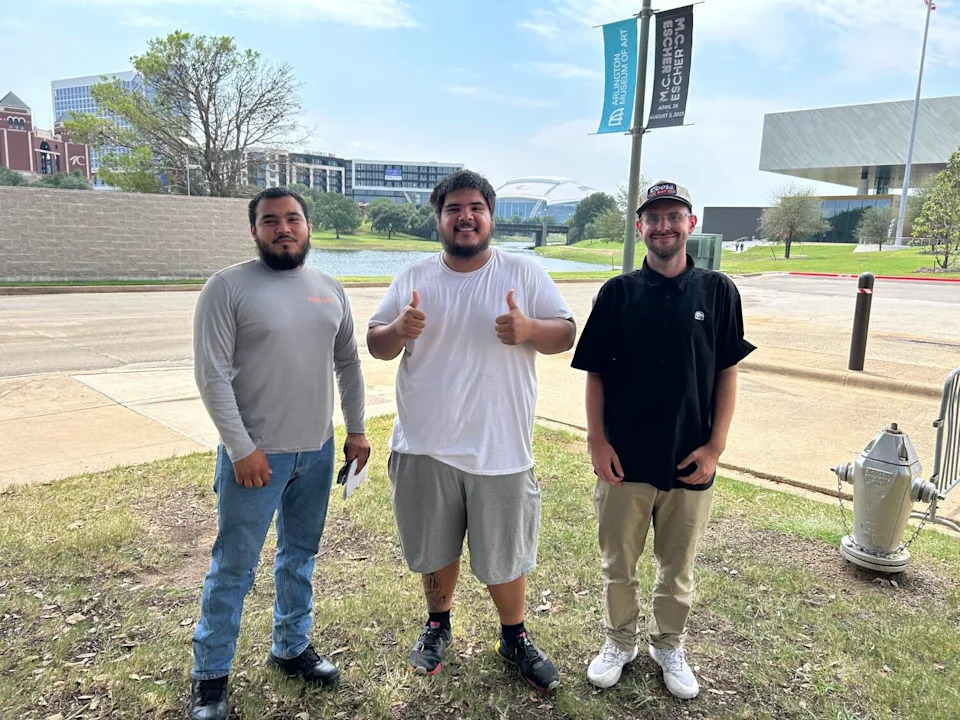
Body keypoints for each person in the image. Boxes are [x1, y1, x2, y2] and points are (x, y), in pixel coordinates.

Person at [366, 170, 576, 691]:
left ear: (490, 216)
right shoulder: (414, 275)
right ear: (438, 219)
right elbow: (376, 342)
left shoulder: (523, 273)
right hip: (424, 445)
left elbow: (566, 333)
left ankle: (515, 636)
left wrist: (529, 330)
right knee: (434, 549)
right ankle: (437, 625)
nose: (466, 216)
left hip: (500, 447)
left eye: (476, 207)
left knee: (504, 555)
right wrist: (398, 330)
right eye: (454, 208)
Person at [188, 187, 370, 720]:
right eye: (270, 221)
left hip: (316, 452)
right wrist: (241, 449)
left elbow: (349, 365)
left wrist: (356, 431)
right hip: (255, 460)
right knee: (233, 568)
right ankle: (210, 677)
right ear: (255, 230)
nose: (283, 228)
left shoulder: (329, 288)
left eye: (293, 219)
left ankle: (291, 648)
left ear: (308, 227)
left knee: (300, 557)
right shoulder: (227, 288)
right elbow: (211, 374)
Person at [571, 181, 755, 700]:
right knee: (618, 565)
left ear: (690, 224)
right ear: (640, 227)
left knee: (678, 569)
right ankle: (619, 640)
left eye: (674, 216)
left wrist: (716, 447)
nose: (664, 226)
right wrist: (596, 441)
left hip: (689, 460)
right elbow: (596, 375)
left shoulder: (718, 291)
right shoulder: (617, 294)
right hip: (624, 459)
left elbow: (726, 372)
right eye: (653, 218)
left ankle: (668, 644)